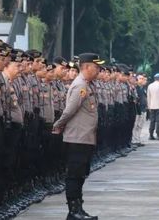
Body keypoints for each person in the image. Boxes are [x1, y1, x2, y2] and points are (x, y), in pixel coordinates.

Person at [52, 53, 105, 220]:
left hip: (85, 137)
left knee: (80, 175)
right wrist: (58, 124)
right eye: (96, 67)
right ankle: (73, 211)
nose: (98, 71)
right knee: (74, 175)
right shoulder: (80, 86)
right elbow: (70, 110)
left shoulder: (88, 84)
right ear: (87, 66)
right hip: (77, 138)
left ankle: (79, 209)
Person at [131, 74, 148, 146]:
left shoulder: (143, 88)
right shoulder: (136, 88)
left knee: (140, 125)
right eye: (140, 78)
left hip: (143, 108)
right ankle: (134, 140)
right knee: (136, 125)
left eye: (143, 79)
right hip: (138, 109)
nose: (142, 80)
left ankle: (138, 139)